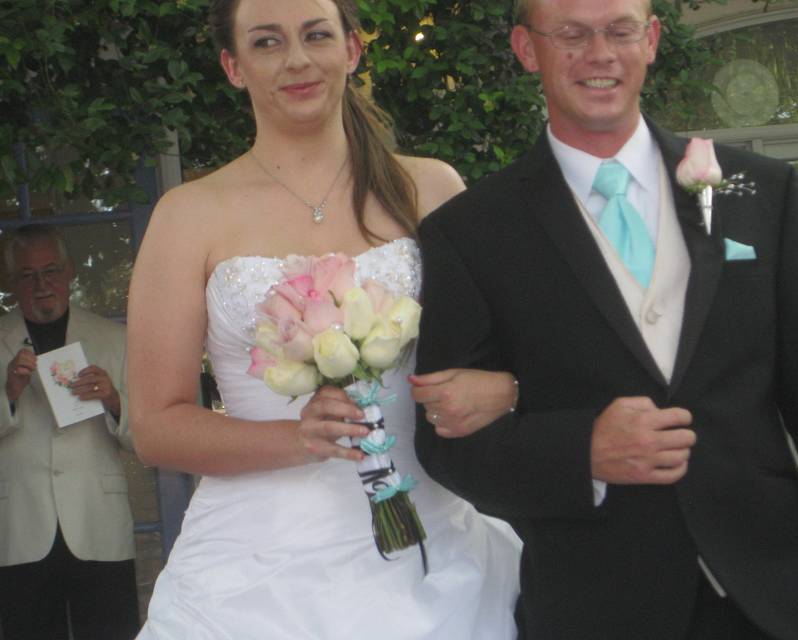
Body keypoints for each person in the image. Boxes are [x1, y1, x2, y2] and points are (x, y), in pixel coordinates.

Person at [413, 0, 798, 638]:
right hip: (600, 606)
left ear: (651, 39)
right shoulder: (471, 233)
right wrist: (582, 452)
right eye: (572, 34)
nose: (600, 53)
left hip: (781, 600)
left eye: (621, 30)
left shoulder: (758, 193)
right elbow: (445, 446)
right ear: (526, 48)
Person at [126, 0, 521, 638]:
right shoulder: (188, 215)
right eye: (267, 42)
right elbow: (155, 427)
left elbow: (514, 353)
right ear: (233, 65)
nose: (298, 60)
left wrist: (502, 390)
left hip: (435, 547)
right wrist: (298, 440)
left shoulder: (431, 189)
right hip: (252, 572)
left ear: (353, 49)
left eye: (316, 35)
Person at [0, 224, 138, 640]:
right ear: (12, 282)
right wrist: (8, 393)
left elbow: (145, 436)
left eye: (51, 270)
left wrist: (114, 400)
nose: (42, 285)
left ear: (71, 270)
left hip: (99, 521)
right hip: (21, 525)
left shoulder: (113, 338)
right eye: (27, 275)